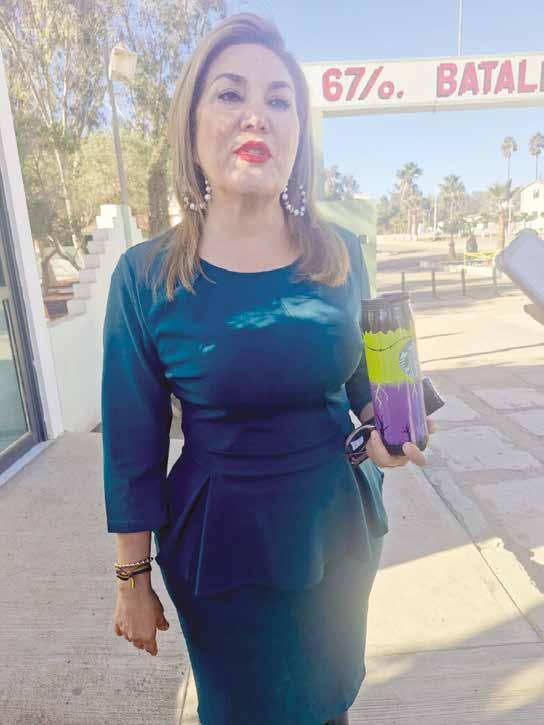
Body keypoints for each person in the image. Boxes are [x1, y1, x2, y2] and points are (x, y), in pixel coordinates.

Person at [101, 13, 435, 725]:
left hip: (338, 531)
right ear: (192, 126)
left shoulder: (341, 252)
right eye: (230, 94)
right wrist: (132, 579)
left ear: (298, 133)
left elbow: (365, 391)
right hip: (219, 550)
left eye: (279, 100)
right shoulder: (145, 276)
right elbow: (132, 448)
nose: (257, 114)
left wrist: (387, 431)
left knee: (329, 704)